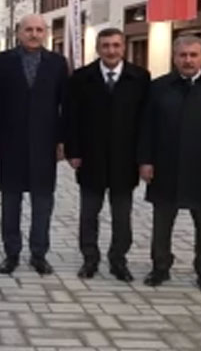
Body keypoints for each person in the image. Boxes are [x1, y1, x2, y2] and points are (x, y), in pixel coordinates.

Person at [139, 35, 201, 294]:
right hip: (165, 166)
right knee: (162, 222)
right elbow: (146, 127)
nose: (188, 60)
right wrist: (145, 160)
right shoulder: (158, 87)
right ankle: (160, 267)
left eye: (193, 55)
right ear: (174, 57)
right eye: (183, 55)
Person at [66, 27, 149, 281]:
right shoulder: (82, 77)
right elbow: (71, 118)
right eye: (105, 46)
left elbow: (146, 121)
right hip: (91, 157)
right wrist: (73, 151)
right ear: (97, 49)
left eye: (115, 45)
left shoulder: (140, 77)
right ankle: (90, 259)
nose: (111, 51)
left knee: (122, 216)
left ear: (123, 47)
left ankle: (118, 260)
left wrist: (144, 158)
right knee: (89, 214)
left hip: (125, 159)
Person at [0, 14, 69, 276]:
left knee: (43, 203)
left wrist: (62, 140)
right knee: (10, 202)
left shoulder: (57, 63)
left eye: (39, 30)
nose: (34, 34)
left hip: (45, 143)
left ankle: (39, 254)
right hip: (10, 142)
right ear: (18, 32)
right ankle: (11, 253)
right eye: (29, 30)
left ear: (45, 33)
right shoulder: (2, 62)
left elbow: (65, 105)